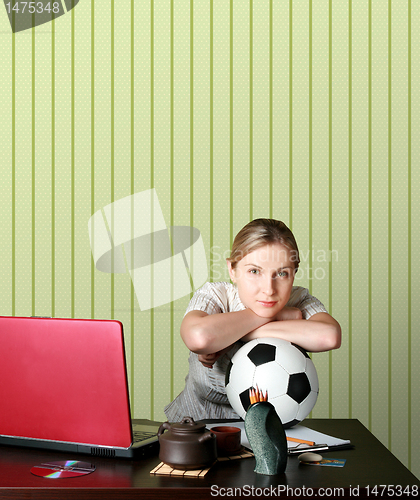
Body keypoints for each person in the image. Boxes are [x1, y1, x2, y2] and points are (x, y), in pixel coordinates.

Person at [164, 218, 341, 421]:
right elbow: (199, 337)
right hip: (196, 426)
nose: (269, 289)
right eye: (254, 271)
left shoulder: (298, 299)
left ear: (294, 274)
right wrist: (278, 316)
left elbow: (330, 336)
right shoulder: (216, 295)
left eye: (282, 273)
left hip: (268, 431)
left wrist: (232, 335)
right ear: (232, 270)